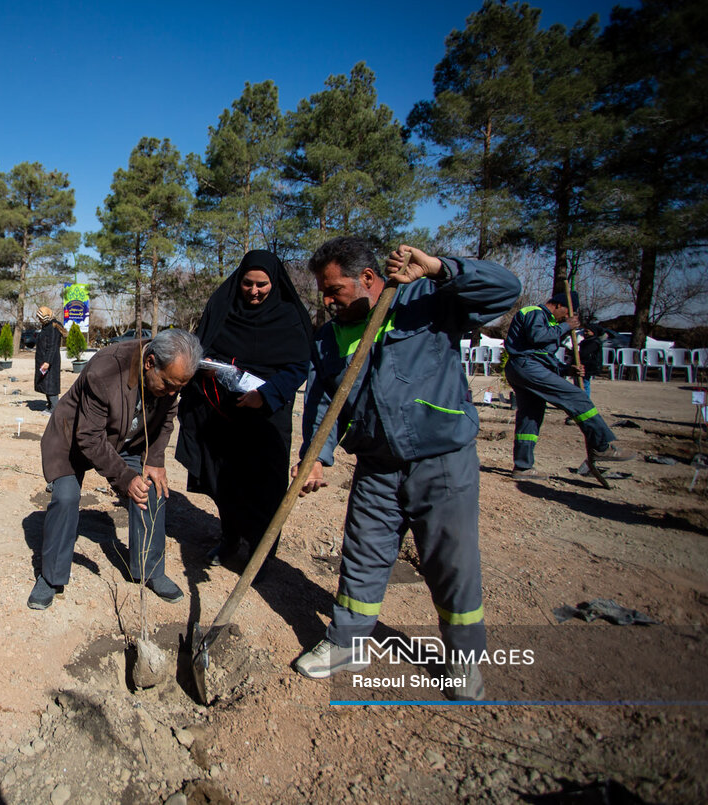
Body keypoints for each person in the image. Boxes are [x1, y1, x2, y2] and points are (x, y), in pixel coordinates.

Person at [292, 238, 521, 701]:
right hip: (376, 465)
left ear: (369, 280)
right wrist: (316, 454)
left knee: (451, 564)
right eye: (324, 291)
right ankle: (348, 643)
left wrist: (438, 268)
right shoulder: (328, 337)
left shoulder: (428, 303)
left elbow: (505, 290)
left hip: (441, 460)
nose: (327, 300)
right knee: (362, 556)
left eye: (334, 289)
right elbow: (322, 403)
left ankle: (463, 661)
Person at [28, 328, 202, 610]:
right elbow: (89, 438)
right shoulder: (106, 370)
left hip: (125, 440)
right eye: (168, 385)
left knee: (152, 489)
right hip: (73, 438)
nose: (172, 393)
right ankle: (50, 577)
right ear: (149, 363)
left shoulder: (171, 376)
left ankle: (150, 569)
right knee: (67, 498)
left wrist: (155, 460)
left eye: (178, 389)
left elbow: (168, 416)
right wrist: (124, 477)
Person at [176, 250, 312, 568]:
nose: (253, 291)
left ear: (274, 283)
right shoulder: (225, 308)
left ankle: (261, 556)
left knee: (265, 487)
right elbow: (204, 346)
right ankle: (230, 539)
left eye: (261, 285)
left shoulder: (289, 317)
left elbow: (299, 365)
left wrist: (265, 395)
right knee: (226, 482)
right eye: (248, 284)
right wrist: (207, 368)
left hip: (267, 417)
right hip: (225, 415)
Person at [505, 292, 634, 479]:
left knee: (530, 416)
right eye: (566, 313)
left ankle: (523, 467)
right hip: (526, 366)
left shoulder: (549, 322)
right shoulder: (535, 312)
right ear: (558, 305)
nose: (566, 318)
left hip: (527, 368)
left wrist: (567, 370)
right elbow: (537, 338)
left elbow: (544, 356)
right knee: (578, 398)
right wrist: (567, 326)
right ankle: (602, 445)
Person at [33, 306, 64, 413]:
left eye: (40, 318)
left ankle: (55, 409)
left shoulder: (53, 328)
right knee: (46, 383)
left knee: (51, 384)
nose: (39, 320)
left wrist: (47, 362)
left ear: (46, 317)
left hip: (50, 361)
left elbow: (52, 346)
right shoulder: (47, 326)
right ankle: (50, 406)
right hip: (45, 360)